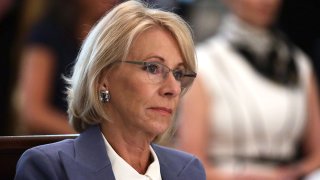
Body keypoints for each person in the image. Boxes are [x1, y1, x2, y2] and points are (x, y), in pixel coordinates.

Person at [15, 1, 206, 179]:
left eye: (179, 74)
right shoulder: (50, 168)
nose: (173, 89)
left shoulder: (189, 170)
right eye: (153, 68)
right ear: (102, 78)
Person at [176, 0, 320, 179]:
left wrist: (290, 174)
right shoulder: (204, 64)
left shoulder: (298, 65)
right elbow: (190, 164)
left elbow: (317, 154)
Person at [14, 0, 118, 134]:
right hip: (59, 145)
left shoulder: (124, 34)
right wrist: (90, 137)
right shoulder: (47, 33)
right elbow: (33, 113)